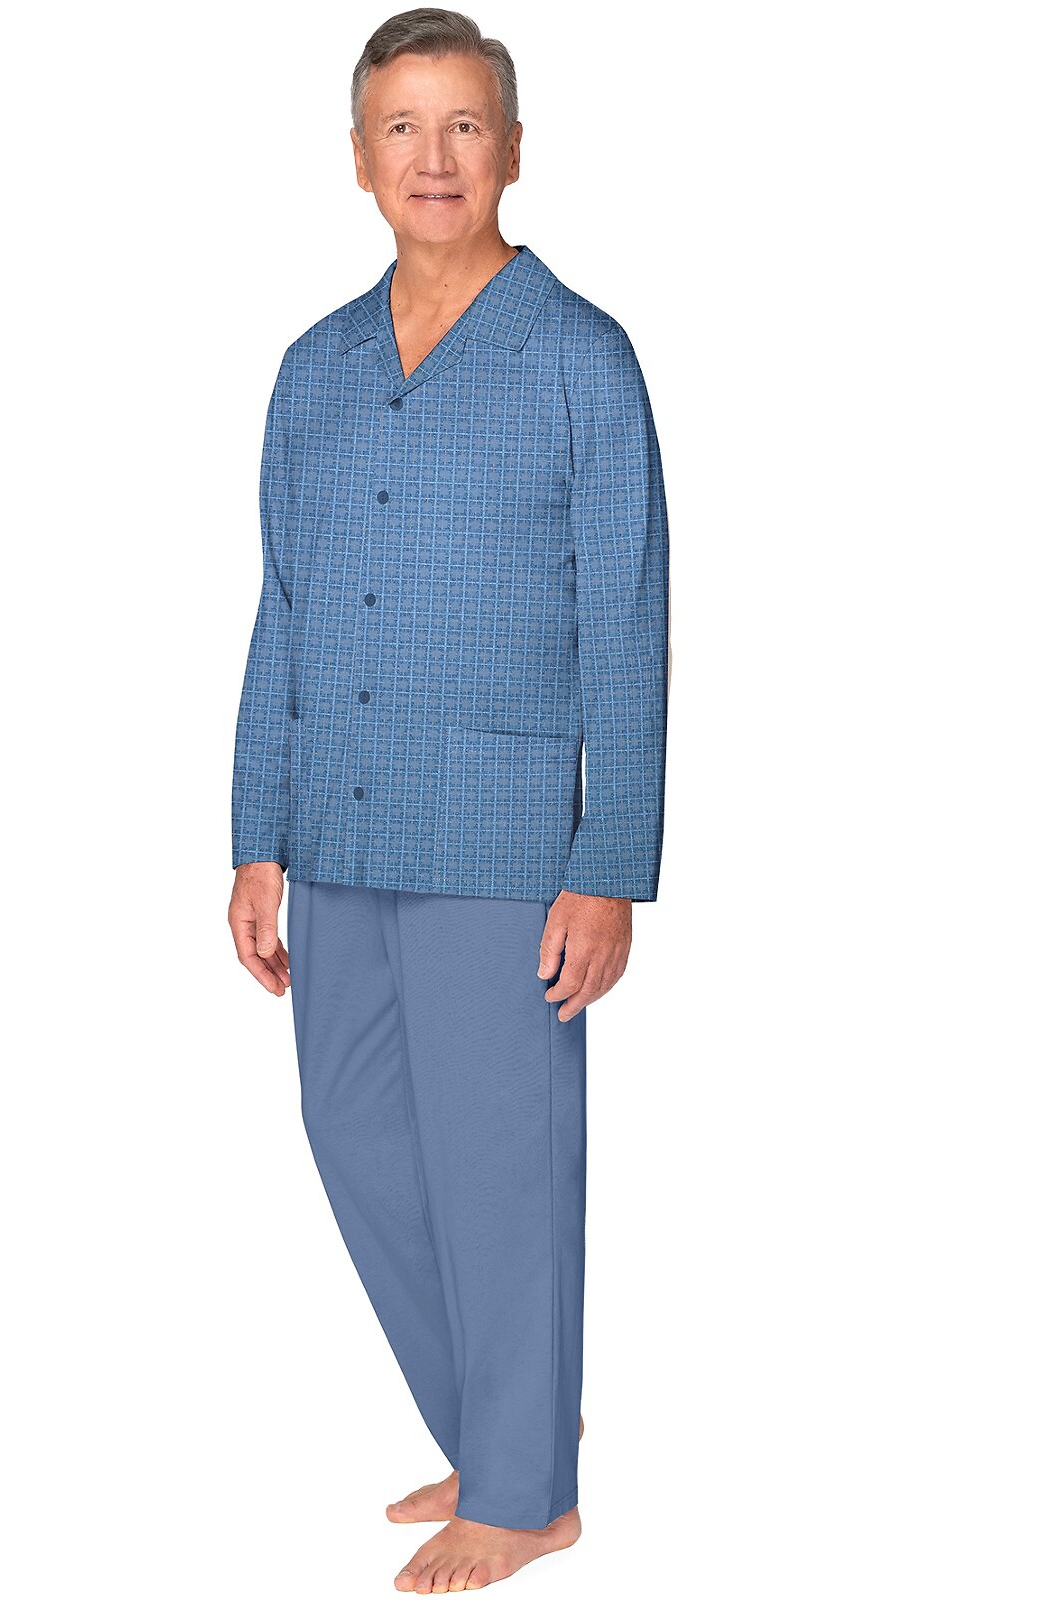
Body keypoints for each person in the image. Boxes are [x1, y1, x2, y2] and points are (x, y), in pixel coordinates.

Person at [228, 9, 670, 1591]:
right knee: (349, 1129)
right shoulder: (314, 370)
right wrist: (255, 838)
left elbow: (627, 623)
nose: (434, 156)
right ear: (358, 158)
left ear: (513, 150)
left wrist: (607, 863)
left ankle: (527, 1488)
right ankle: (506, 1434)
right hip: (339, 828)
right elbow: (283, 610)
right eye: (402, 127)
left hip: (503, 843)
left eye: (464, 125)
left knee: (501, 1163)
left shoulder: (579, 359)